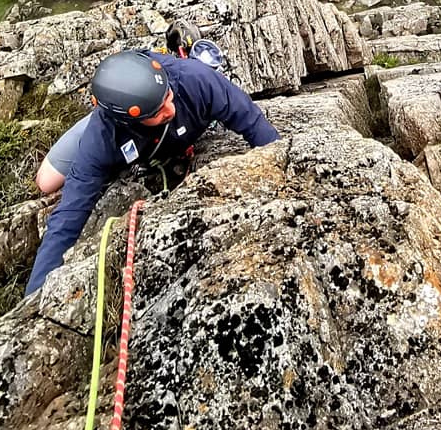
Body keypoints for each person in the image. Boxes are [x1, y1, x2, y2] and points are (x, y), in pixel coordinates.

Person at [25, 42, 279, 295]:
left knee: (192, 93)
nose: (171, 109)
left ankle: (189, 68)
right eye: (158, 111)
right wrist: (36, 294)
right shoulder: (102, 137)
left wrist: (281, 169)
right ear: (128, 118)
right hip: (113, 129)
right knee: (46, 182)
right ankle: (110, 123)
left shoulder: (197, 80)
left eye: (168, 97)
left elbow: (251, 121)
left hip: (180, 102)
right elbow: (68, 216)